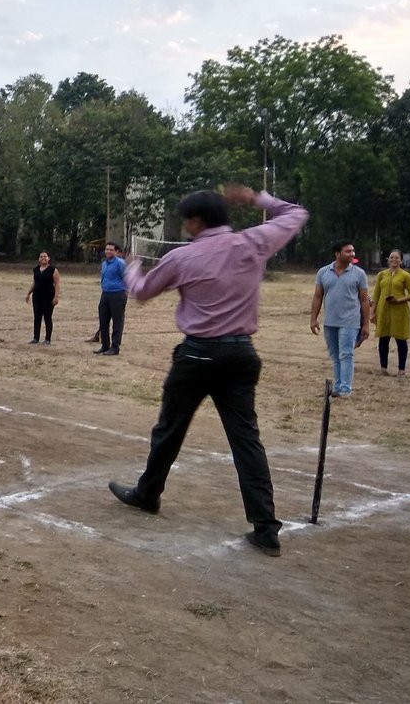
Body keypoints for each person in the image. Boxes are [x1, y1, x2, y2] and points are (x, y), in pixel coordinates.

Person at [108, 183, 308, 557]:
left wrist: (133, 268)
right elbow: (297, 213)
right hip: (241, 354)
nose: (187, 227)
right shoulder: (253, 242)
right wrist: (256, 199)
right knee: (246, 440)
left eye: (188, 221)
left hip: (198, 354)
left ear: (197, 221)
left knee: (170, 428)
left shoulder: (184, 257)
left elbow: (142, 292)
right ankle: (266, 527)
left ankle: (148, 494)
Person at [310, 240, 370, 398]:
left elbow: (364, 300)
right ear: (337, 254)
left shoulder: (359, 274)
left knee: (346, 354)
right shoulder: (323, 272)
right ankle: (336, 387)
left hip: (350, 322)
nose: (352, 254)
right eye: (348, 251)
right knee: (335, 356)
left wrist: (366, 324)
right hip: (330, 322)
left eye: (353, 251)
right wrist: (313, 319)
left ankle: (345, 389)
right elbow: (317, 296)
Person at [370, 249, 410, 378]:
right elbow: (376, 294)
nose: (394, 260)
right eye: (391, 257)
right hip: (383, 311)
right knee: (383, 339)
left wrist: (398, 300)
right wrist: (372, 312)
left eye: (396, 258)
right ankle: (383, 367)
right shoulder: (381, 275)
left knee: (401, 340)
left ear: (401, 260)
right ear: (388, 259)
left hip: (399, 312)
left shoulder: (405, 275)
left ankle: (401, 370)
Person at [96, 241, 127, 355]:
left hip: (117, 294)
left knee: (117, 321)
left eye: (111, 250)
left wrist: (125, 292)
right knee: (103, 320)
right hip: (105, 294)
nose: (108, 251)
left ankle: (115, 347)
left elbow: (127, 277)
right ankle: (105, 345)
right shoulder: (104, 263)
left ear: (116, 251)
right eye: (107, 249)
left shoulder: (120, 263)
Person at [25, 251, 60, 344]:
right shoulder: (36, 269)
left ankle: (47, 339)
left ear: (49, 258)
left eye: (45, 256)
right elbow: (34, 282)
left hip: (48, 297)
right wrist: (28, 293)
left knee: (47, 317)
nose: (43, 258)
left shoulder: (53, 270)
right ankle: (36, 338)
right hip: (37, 296)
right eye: (41, 257)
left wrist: (56, 297)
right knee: (37, 317)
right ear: (38, 259)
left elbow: (57, 284)